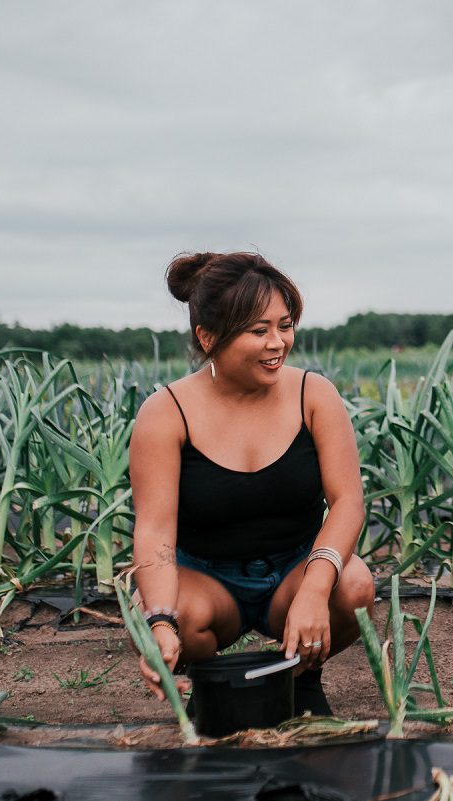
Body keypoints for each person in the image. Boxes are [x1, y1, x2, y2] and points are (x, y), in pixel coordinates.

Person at [129, 251, 374, 716]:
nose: (278, 343)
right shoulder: (165, 412)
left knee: (355, 585)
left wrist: (315, 590)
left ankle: (300, 678)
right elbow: (155, 529)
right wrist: (158, 620)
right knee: (176, 619)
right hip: (205, 575)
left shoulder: (313, 394)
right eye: (258, 330)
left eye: (285, 325)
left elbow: (347, 503)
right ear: (208, 337)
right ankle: (212, 686)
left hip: (293, 567)